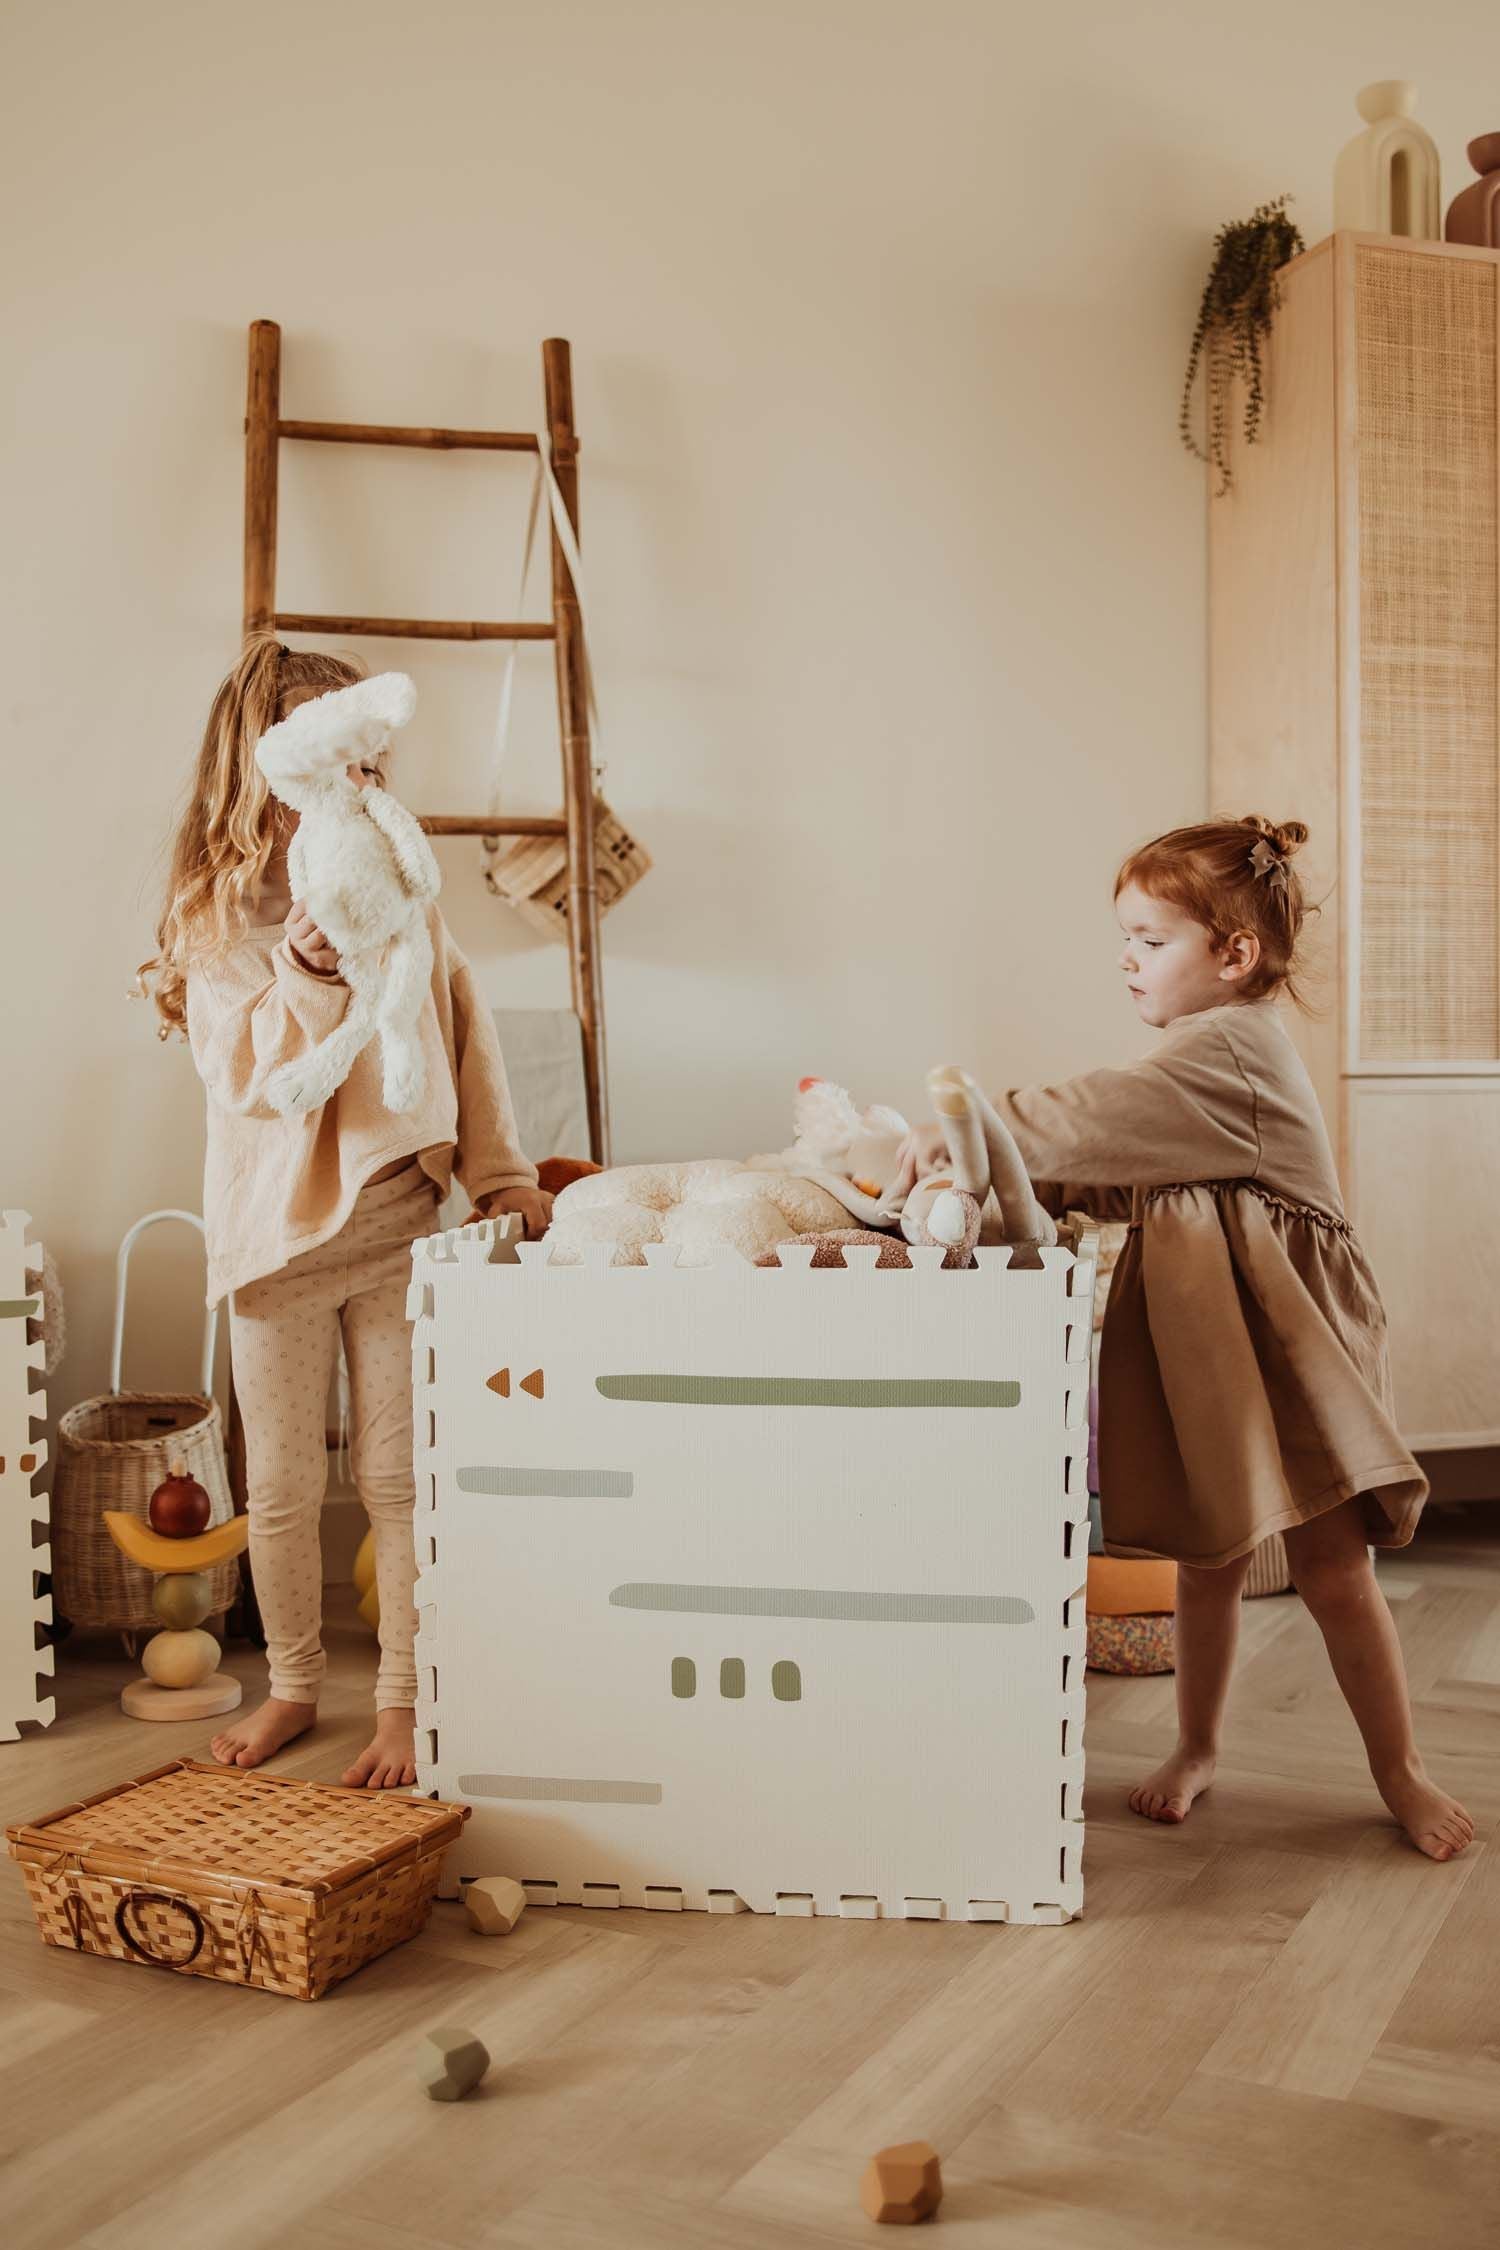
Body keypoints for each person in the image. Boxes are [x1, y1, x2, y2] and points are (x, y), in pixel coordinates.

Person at [898, 815, 1471, 1861]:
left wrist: (972, 1122)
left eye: (1152, 939)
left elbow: (1089, 1118)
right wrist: (967, 1194)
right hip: (1226, 1353)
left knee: (1334, 1571)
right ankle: (1198, 1746)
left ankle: (1402, 1770)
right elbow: (1108, 1169)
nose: (1127, 957)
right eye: (1125, 936)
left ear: (1233, 956)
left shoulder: (1232, 1053)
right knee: (1207, 1562)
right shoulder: (1192, 1064)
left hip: (1303, 1348)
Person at [139, 634, 550, 1787]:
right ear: (264, 769)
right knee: (276, 1484)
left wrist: (500, 1170)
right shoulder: (214, 911)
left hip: (400, 1220)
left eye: (369, 762)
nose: (356, 785)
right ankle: (294, 1688)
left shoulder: (397, 883)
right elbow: (240, 1073)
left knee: (398, 1475)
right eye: (330, 763)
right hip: (274, 1240)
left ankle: (403, 1701)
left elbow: (465, 1030)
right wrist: (306, 974)